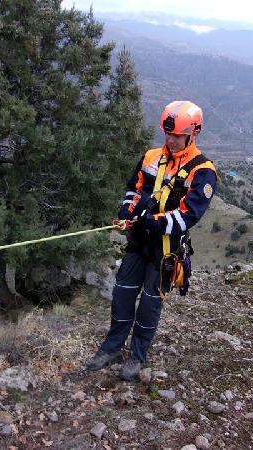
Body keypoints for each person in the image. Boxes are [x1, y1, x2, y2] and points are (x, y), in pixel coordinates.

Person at [86, 100, 218, 381]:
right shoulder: (150, 157)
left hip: (165, 250)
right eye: (167, 134)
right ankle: (111, 348)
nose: (170, 140)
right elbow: (133, 190)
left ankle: (137, 356)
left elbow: (187, 217)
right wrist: (126, 212)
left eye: (177, 136)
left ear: (192, 134)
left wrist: (147, 221)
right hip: (138, 242)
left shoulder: (202, 171)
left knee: (149, 303)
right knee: (122, 294)